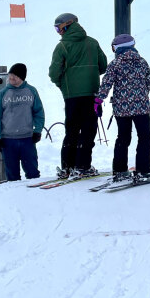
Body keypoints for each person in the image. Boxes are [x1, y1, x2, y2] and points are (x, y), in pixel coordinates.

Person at [48, 12, 107, 179]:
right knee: (88, 131)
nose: (58, 32)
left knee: (72, 130)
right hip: (92, 94)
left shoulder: (62, 47)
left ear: (67, 25)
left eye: (58, 29)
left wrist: (63, 84)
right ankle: (83, 166)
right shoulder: (93, 43)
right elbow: (103, 66)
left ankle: (68, 166)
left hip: (71, 96)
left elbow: (53, 73)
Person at [95, 33, 150, 184]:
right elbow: (148, 82)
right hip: (141, 107)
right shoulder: (142, 62)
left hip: (121, 109)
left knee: (123, 138)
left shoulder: (115, 64)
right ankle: (143, 170)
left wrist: (98, 100)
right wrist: (141, 95)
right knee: (144, 138)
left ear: (117, 48)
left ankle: (120, 170)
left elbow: (106, 84)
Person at [0, 62, 45, 181]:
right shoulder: (2, 94)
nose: (11, 78)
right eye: (10, 75)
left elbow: (39, 112)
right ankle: (15, 198)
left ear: (21, 77)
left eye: (14, 76)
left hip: (27, 139)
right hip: (8, 140)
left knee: (33, 174)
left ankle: (34, 196)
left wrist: (37, 130)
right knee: (12, 176)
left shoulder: (31, 91)